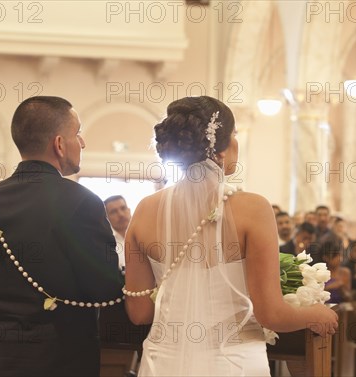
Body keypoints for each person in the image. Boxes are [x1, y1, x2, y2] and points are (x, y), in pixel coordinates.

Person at [124, 96, 338, 376]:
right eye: (235, 134)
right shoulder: (253, 208)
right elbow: (272, 314)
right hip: (233, 362)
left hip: (163, 361)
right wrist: (316, 314)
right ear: (225, 147)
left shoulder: (144, 210)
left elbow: (139, 312)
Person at [0, 96, 123, 377]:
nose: (82, 143)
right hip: (61, 359)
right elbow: (105, 288)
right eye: (78, 133)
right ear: (59, 144)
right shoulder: (80, 201)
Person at [104, 195, 132, 272]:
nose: (121, 214)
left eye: (123, 208)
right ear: (107, 218)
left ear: (129, 210)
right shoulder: (105, 243)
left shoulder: (144, 234)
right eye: (113, 212)